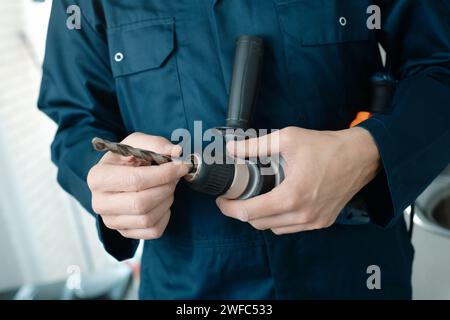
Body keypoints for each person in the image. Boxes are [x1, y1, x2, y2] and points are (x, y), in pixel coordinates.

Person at [38, 0, 450, 299]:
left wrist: (367, 153)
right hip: (190, 288)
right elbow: (75, 121)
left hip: (356, 273)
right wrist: (108, 179)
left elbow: (440, 68)